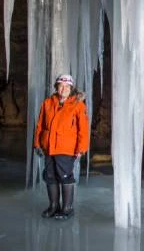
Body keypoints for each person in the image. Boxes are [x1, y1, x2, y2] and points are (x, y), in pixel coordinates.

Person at [34, 74, 90, 220]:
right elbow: (40, 125)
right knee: (50, 176)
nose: (63, 89)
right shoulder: (47, 103)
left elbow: (83, 129)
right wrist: (37, 144)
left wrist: (81, 148)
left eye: (67, 86)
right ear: (56, 87)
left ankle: (67, 208)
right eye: (61, 85)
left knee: (65, 176)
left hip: (66, 148)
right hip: (48, 147)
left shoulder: (78, 105)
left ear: (71, 88)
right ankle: (53, 206)